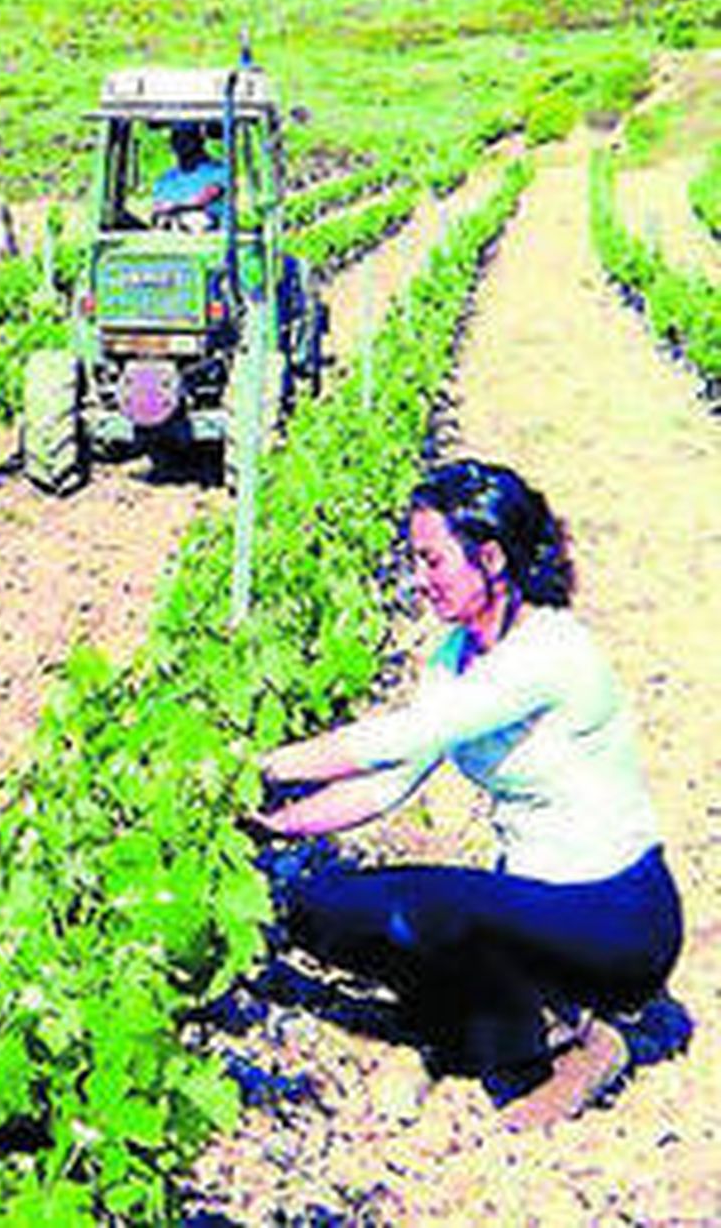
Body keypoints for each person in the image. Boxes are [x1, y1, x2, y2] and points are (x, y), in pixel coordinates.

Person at [253, 458, 684, 1130]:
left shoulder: (551, 651)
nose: (419, 581)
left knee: (428, 908)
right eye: (414, 561)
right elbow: (385, 785)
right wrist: (270, 825)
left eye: (432, 561)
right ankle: (486, 1027)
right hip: (530, 907)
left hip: (618, 916)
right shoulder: (452, 655)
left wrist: (261, 766)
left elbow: (404, 734)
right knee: (324, 910)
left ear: (490, 557)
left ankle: (563, 1053)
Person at [150, 122, 226, 226]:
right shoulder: (165, 179)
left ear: (199, 140)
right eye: (176, 136)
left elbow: (204, 197)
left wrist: (174, 206)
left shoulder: (218, 172)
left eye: (187, 137)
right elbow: (158, 206)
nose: (180, 142)